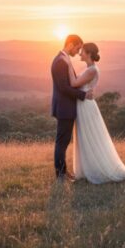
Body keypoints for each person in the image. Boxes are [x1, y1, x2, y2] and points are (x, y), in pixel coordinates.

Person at [66, 42, 125, 184]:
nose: (80, 54)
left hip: (86, 106)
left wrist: (68, 65)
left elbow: (74, 84)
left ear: (88, 54)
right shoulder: (89, 68)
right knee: (85, 137)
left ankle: (95, 169)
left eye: (82, 52)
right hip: (83, 105)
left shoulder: (92, 70)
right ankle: (87, 169)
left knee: (90, 137)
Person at [50, 34, 92, 180]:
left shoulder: (63, 59)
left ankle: (62, 171)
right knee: (62, 142)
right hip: (64, 108)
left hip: (65, 107)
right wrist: (83, 95)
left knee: (63, 141)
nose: (78, 52)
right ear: (70, 44)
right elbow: (64, 88)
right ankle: (60, 174)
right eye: (77, 48)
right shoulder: (61, 61)